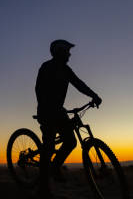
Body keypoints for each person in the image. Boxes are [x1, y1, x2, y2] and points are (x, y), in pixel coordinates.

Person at [35, 39, 102, 197]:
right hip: (46, 111)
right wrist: (47, 107)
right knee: (49, 147)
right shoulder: (47, 67)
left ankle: (55, 167)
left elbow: (79, 84)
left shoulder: (66, 70)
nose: (70, 54)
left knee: (71, 141)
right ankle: (43, 189)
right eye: (67, 51)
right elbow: (38, 89)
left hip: (59, 111)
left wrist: (94, 96)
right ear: (59, 51)